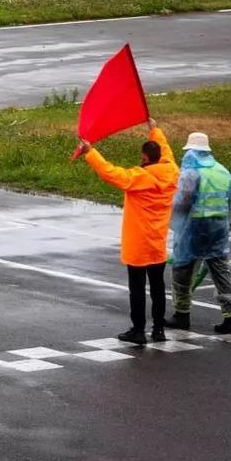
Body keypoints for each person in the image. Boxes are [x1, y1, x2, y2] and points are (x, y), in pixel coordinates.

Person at [77, 118, 179, 345]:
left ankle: (138, 330)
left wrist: (91, 152)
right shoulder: (172, 171)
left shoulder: (140, 178)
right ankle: (159, 329)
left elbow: (111, 173)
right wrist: (155, 129)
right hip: (157, 242)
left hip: (138, 244)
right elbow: (167, 152)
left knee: (137, 290)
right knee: (158, 287)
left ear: (145, 158)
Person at [165, 132, 231, 335]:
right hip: (218, 227)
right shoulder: (223, 172)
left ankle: (182, 313)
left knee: (183, 269)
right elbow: (230, 204)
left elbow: (183, 202)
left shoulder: (191, 172)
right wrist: (225, 225)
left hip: (195, 227)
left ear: (192, 151)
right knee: (220, 270)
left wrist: (174, 224)